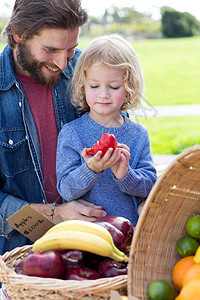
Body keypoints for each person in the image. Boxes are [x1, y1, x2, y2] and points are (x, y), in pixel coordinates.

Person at [0, 0, 107, 256]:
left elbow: (126, 140)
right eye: (50, 49)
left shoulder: (90, 72)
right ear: (18, 34)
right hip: (19, 256)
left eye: (71, 50)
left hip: (98, 245)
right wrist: (55, 216)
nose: (62, 63)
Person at [56, 34, 157, 227]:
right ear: (82, 85)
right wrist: (91, 169)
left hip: (129, 235)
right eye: (94, 86)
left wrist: (126, 175)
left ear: (129, 87)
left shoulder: (138, 134)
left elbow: (151, 185)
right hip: (87, 235)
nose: (103, 95)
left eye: (114, 86)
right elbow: (66, 190)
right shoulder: (72, 133)